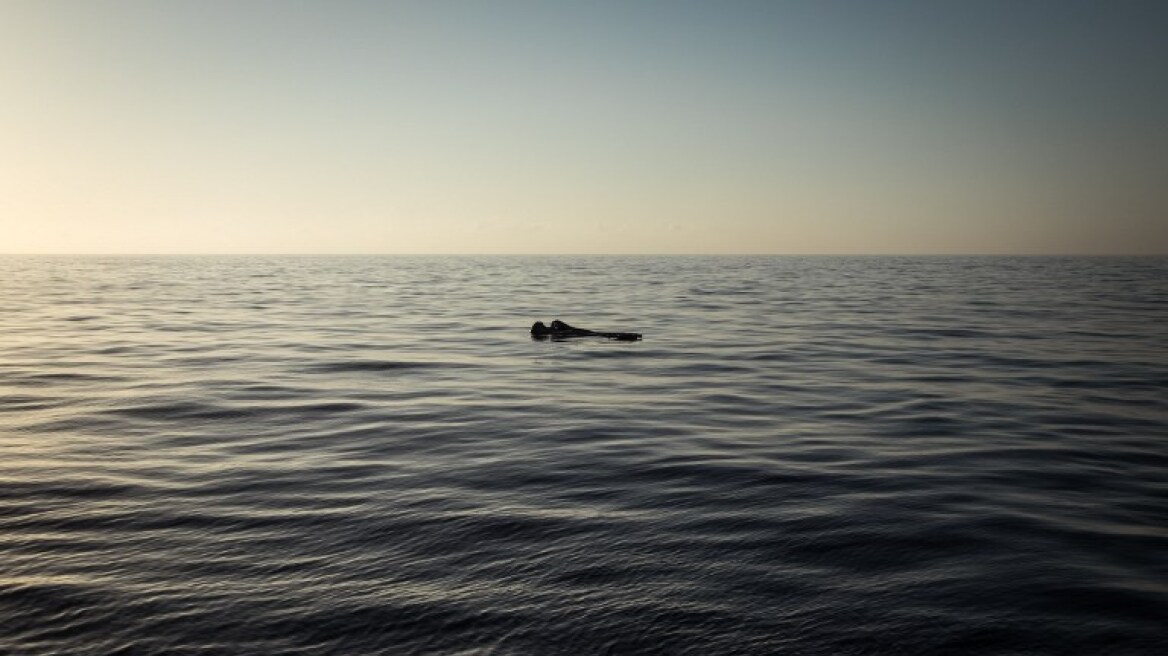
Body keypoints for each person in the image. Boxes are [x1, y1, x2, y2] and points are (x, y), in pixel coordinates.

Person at [530, 320, 641, 341]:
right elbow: (570, 329)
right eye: (542, 326)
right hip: (579, 334)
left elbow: (571, 328)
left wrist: (559, 324)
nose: (545, 325)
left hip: (580, 333)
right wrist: (559, 324)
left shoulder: (553, 332)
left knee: (605, 335)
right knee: (605, 336)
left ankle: (631, 336)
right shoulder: (553, 334)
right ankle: (630, 337)